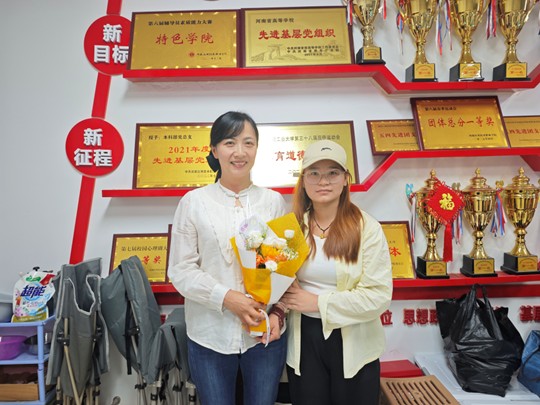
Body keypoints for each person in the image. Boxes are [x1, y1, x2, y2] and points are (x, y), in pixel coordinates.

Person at [167, 111, 287, 405]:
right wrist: (227, 298)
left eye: (248, 143)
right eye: (230, 143)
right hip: (209, 335)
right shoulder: (193, 202)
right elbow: (181, 270)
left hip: (263, 336)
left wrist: (278, 314)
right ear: (214, 150)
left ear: (257, 149)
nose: (239, 152)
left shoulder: (272, 202)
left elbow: (282, 269)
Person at [281, 140, 393, 405]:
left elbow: (378, 296)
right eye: (314, 173)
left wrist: (318, 303)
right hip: (304, 342)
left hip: (354, 342)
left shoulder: (367, 228)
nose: (323, 181)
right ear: (303, 180)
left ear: (345, 179)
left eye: (332, 172)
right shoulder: (291, 228)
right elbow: (278, 283)